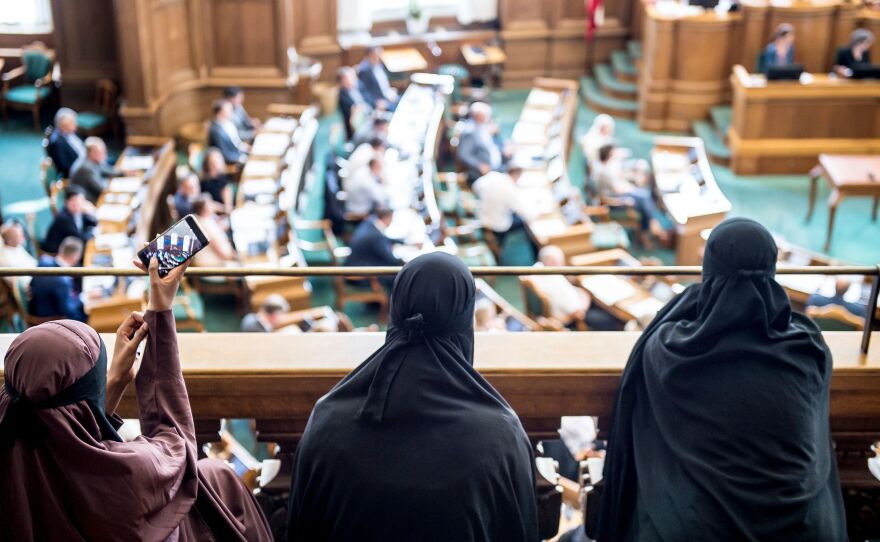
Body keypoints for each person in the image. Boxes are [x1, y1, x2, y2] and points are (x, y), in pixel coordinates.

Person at [594, 218, 846, 541]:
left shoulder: (670, 349)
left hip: (695, 531)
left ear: (708, 269)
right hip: (802, 530)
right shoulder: (808, 348)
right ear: (772, 270)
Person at [0, 255, 273, 540]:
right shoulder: (123, 477)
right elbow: (176, 443)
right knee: (220, 477)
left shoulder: (14, 426)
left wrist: (114, 381)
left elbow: (60, 432)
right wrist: (161, 309)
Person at [287, 252, 539, 541]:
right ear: (463, 322)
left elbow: (302, 527)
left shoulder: (327, 418)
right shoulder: (501, 433)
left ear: (397, 309)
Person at [529, 246, 621, 331]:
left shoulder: (536, 269)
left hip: (570, 306)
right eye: (561, 262)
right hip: (573, 318)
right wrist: (586, 298)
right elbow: (577, 312)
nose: (563, 265)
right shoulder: (554, 279)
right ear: (552, 263)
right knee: (608, 319)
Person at [593, 144, 667, 246]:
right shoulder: (605, 171)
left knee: (645, 196)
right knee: (644, 199)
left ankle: (648, 226)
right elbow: (617, 190)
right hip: (613, 202)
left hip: (617, 195)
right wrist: (632, 190)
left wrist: (632, 189)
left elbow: (618, 183)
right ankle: (647, 230)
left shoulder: (607, 167)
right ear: (609, 154)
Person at [472, 165, 539, 256]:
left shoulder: (493, 175)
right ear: (516, 176)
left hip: (482, 217)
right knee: (524, 224)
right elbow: (525, 213)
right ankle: (537, 252)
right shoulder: (510, 189)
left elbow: (475, 186)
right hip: (498, 226)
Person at [30, 236, 87, 322]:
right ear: (76, 256)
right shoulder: (63, 282)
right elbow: (69, 312)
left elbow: (32, 284)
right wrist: (83, 298)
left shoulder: (43, 261)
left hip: (37, 306)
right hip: (50, 318)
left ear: (61, 249)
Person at [344, 207, 402, 290]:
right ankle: (392, 301)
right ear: (387, 218)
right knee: (400, 275)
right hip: (361, 274)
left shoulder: (370, 222)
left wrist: (402, 242)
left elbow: (385, 239)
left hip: (355, 265)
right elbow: (392, 260)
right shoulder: (376, 236)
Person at [457, 102, 510, 184]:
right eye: (485, 115)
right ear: (477, 116)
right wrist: (479, 166)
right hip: (484, 172)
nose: (487, 118)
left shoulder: (483, 127)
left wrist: (503, 149)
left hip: (498, 166)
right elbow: (464, 154)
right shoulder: (470, 131)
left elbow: (490, 146)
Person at [42, 186, 97, 254]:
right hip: (57, 252)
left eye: (80, 200)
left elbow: (92, 222)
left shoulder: (77, 211)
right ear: (66, 202)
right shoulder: (64, 219)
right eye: (74, 200)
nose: (77, 203)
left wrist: (91, 213)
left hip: (71, 246)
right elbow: (80, 239)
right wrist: (93, 233)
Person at [70, 136, 122, 203]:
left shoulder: (92, 160)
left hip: (96, 196)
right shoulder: (85, 168)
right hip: (88, 202)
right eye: (101, 152)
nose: (105, 155)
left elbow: (105, 170)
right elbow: (101, 189)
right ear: (91, 153)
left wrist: (123, 172)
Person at [191, 196, 238, 267]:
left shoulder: (202, 220)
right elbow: (222, 253)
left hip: (214, 262)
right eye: (210, 204)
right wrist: (236, 256)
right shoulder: (206, 225)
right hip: (213, 266)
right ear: (205, 208)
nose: (213, 205)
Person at [337, 66, 376, 140]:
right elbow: (354, 118)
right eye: (349, 78)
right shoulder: (342, 97)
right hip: (358, 128)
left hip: (370, 116)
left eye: (353, 76)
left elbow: (369, 98)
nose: (353, 79)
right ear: (342, 81)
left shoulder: (358, 85)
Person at [46, 108, 87, 178]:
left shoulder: (72, 132)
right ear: (63, 126)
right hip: (79, 173)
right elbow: (65, 168)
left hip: (88, 160)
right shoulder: (57, 143)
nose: (76, 125)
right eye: (72, 123)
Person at [208, 99, 250, 164]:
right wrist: (241, 158)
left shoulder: (228, 123)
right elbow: (224, 154)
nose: (231, 111)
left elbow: (236, 142)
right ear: (219, 113)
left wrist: (245, 148)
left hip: (238, 152)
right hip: (230, 159)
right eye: (228, 109)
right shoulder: (215, 131)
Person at [356, 46, 398, 110]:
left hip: (388, 96)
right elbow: (364, 91)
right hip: (379, 102)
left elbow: (383, 83)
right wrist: (375, 102)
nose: (379, 58)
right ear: (369, 56)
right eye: (376, 56)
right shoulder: (364, 70)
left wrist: (390, 91)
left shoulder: (379, 64)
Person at [0, 221, 37, 287]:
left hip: (37, 273)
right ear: (9, 241)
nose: (23, 238)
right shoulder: (7, 260)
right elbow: (22, 284)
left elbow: (32, 261)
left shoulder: (17, 246)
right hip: (32, 283)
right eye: (19, 236)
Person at [200, 147, 233, 213]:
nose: (216, 164)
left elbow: (228, 207)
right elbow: (204, 204)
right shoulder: (202, 182)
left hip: (223, 212)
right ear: (207, 165)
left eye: (218, 161)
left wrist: (222, 208)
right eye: (213, 162)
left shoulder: (223, 177)